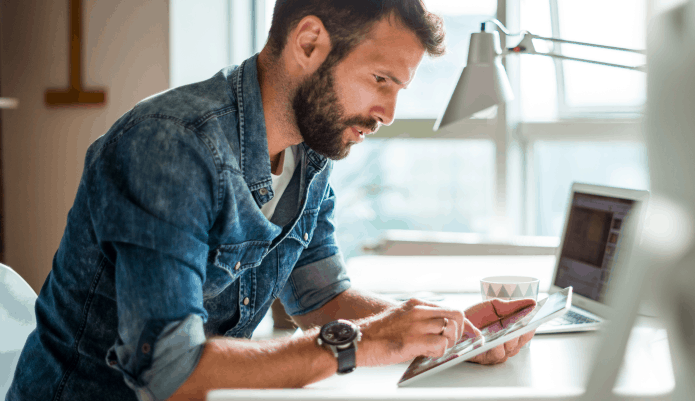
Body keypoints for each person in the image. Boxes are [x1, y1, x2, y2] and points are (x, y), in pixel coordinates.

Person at [7, 1, 536, 400]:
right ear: (309, 42)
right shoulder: (168, 145)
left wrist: (447, 330)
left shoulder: (312, 149)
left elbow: (320, 298)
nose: (389, 111)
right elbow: (170, 370)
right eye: (380, 79)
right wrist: (362, 341)